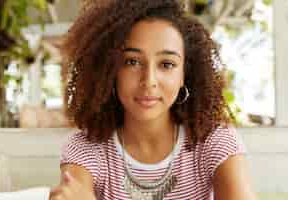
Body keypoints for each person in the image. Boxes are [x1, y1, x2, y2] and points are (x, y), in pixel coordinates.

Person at [49, 0, 257, 199]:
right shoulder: (85, 148)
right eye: (132, 62)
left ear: (185, 74)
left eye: (166, 64)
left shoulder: (214, 141)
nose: (149, 81)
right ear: (110, 70)